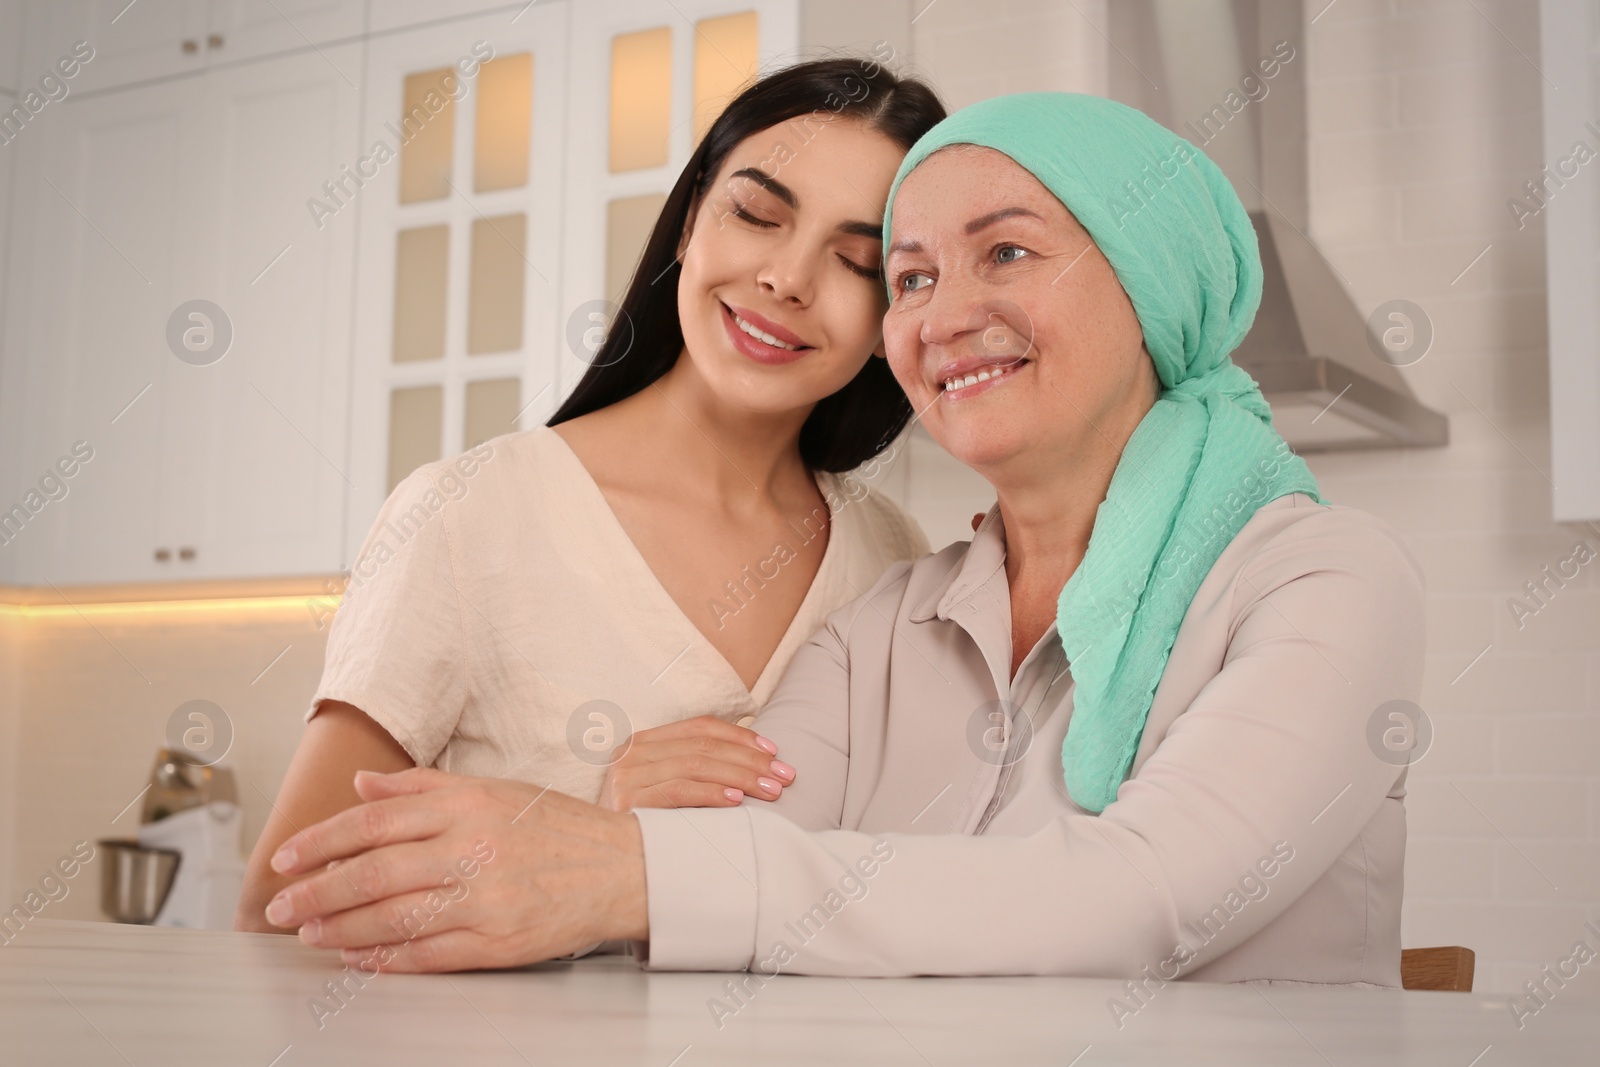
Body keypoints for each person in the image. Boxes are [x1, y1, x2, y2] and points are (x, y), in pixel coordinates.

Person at [253, 93, 1425, 986]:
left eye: (1005, 251)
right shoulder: (887, 622)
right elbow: (733, 872)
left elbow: (1148, 892)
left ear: (1150, 280)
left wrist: (631, 864)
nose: (945, 310)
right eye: (910, 275)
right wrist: (632, 822)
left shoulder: (1326, 582)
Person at [234, 59, 947, 933]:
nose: (787, 278)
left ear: (896, 313)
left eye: (857, 261)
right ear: (690, 224)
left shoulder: (896, 560)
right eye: (756, 215)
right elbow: (281, 917)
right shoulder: (468, 516)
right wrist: (606, 849)